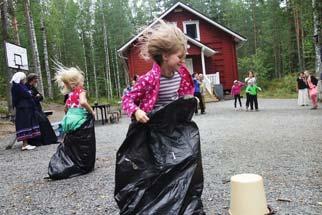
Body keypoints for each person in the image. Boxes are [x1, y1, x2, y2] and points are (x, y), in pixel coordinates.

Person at [116, 21, 205, 214]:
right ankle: (155, 197)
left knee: (183, 157)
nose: (183, 60)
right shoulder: (149, 79)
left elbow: (184, 96)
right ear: (165, 56)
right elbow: (127, 98)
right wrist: (136, 112)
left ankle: (177, 194)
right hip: (150, 127)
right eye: (180, 56)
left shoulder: (181, 75)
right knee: (154, 163)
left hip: (171, 126)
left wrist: (190, 102)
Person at [48, 66, 96, 180]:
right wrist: (91, 112)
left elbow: (65, 108)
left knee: (72, 140)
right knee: (82, 140)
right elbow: (83, 102)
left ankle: (72, 160)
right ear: (78, 82)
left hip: (68, 119)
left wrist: (69, 115)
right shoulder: (81, 91)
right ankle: (82, 162)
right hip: (78, 119)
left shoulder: (70, 94)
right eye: (82, 80)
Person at [25, 73, 57, 146]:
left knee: (45, 121)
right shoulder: (26, 87)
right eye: (36, 79)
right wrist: (37, 97)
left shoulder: (33, 87)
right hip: (31, 109)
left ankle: (49, 140)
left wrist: (37, 97)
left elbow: (41, 97)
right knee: (40, 121)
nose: (37, 80)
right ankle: (39, 141)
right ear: (32, 79)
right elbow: (31, 99)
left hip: (37, 108)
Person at [10, 72, 39, 151]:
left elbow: (29, 93)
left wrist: (29, 93)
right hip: (23, 108)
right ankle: (24, 144)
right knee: (24, 125)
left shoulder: (19, 86)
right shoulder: (17, 86)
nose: (24, 80)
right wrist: (29, 93)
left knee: (27, 124)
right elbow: (27, 94)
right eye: (23, 79)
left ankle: (26, 144)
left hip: (25, 108)